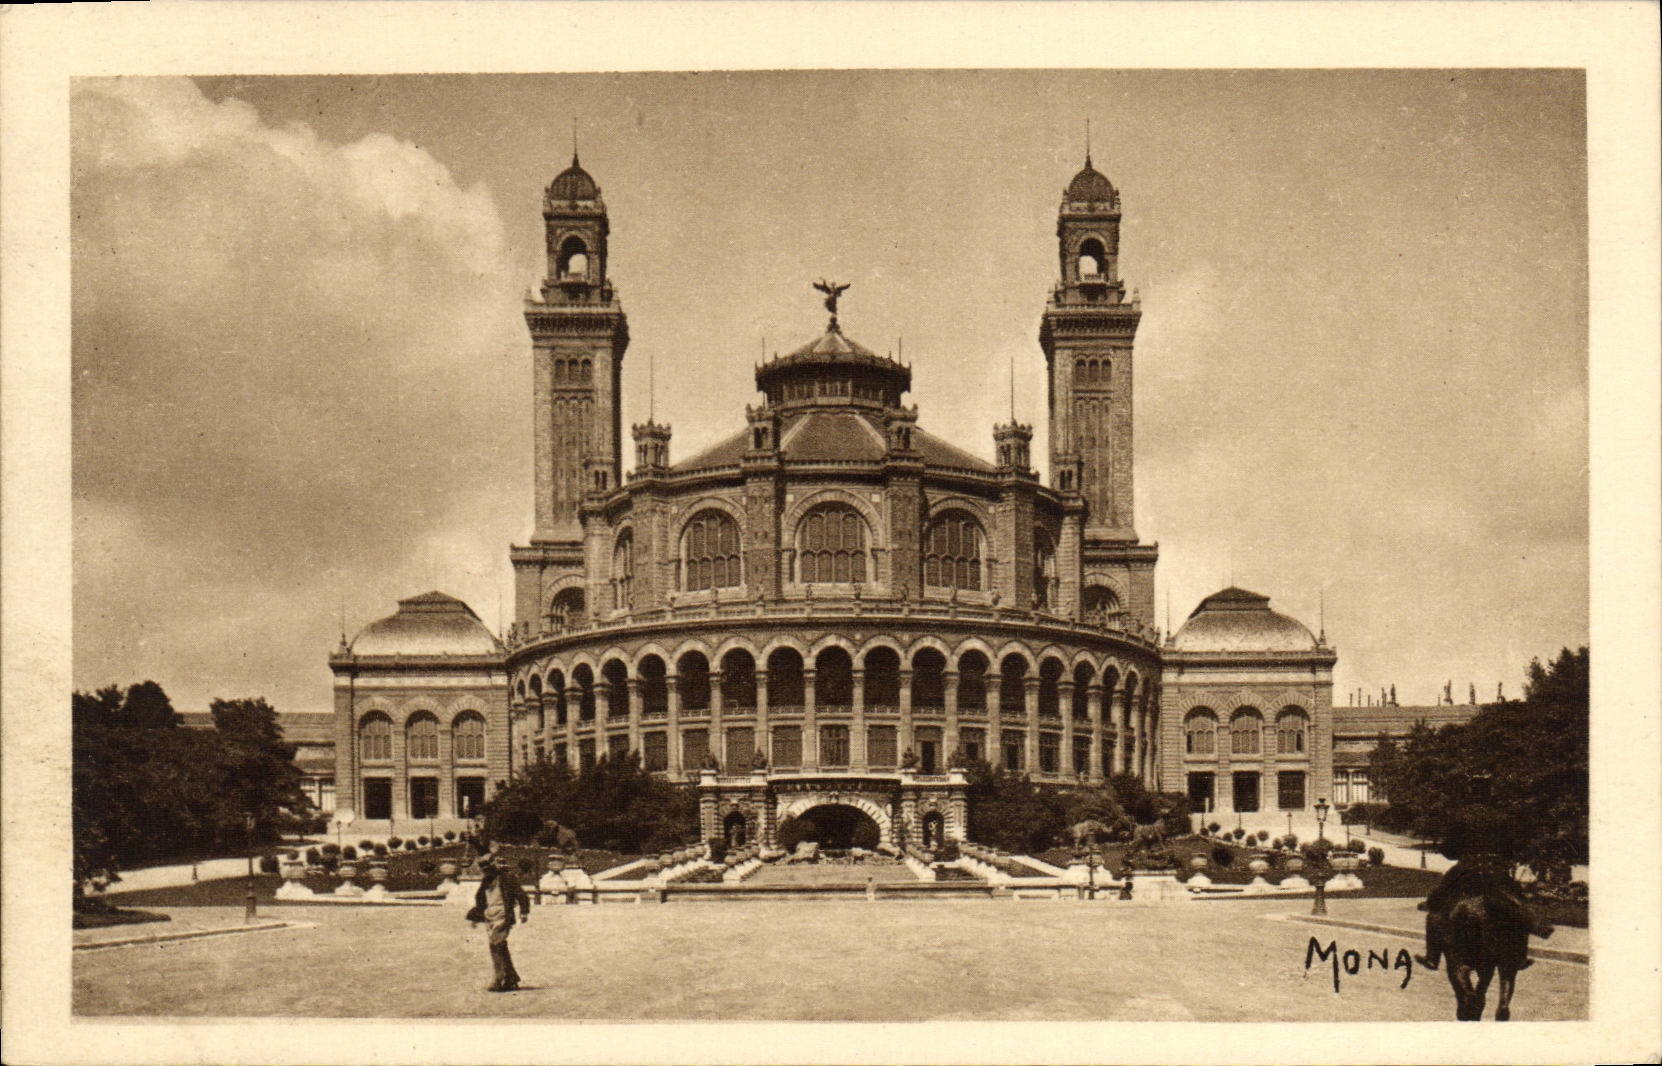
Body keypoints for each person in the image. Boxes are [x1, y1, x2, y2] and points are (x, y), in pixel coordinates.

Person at [1415, 818, 1549, 972]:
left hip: (1466, 872)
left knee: (1435, 906)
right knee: (1518, 904)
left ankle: (1432, 958)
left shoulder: (1462, 817)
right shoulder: (1501, 818)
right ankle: (1521, 955)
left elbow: (1449, 851)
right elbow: (1512, 849)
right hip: (1495, 873)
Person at [466, 845, 531, 992]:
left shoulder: (506, 878)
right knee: (499, 946)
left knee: (496, 945)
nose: (486, 871)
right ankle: (511, 979)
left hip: (503, 915)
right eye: (483, 869)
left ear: (494, 866)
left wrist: (524, 912)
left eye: (488, 868)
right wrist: (475, 917)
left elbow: (521, 894)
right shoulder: (486, 881)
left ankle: (499, 979)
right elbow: (481, 901)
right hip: (490, 916)